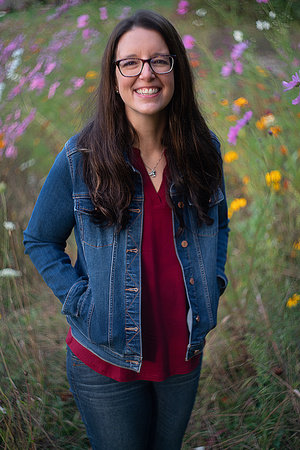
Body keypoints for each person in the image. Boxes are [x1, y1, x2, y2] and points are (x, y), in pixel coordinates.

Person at [23, 9, 229, 450]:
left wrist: (213, 282)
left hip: (183, 354)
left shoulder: (203, 151)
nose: (146, 74)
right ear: (114, 75)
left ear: (176, 69)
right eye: (130, 62)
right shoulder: (82, 157)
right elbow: (40, 239)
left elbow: (220, 223)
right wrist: (83, 301)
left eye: (159, 60)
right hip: (106, 358)